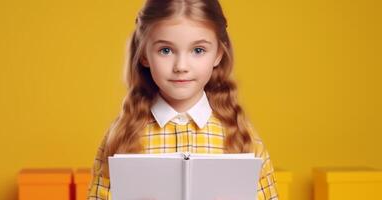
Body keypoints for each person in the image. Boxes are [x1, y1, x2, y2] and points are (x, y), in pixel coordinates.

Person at [87, 0, 279, 199]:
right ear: (144, 54)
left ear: (218, 55)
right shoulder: (121, 136)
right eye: (166, 50)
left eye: (198, 50)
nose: (181, 66)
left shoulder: (243, 136)